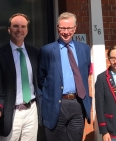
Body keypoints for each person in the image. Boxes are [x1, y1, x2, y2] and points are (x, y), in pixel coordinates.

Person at [38, 12, 92, 141]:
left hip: (78, 104)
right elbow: (40, 79)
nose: (66, 32)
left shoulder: (84, 49)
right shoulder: (47, 50)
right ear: (57, 28)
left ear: (75, 28)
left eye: (69, 28)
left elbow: (85, 74)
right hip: (56, 106)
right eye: (62, 28)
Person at [0, 13, 40, 141]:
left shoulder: (34, 52)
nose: (19, 30)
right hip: (10, 113)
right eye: (15, 26)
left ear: (27, 30)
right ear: (9, 29)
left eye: (23, 26)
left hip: (31, 110)